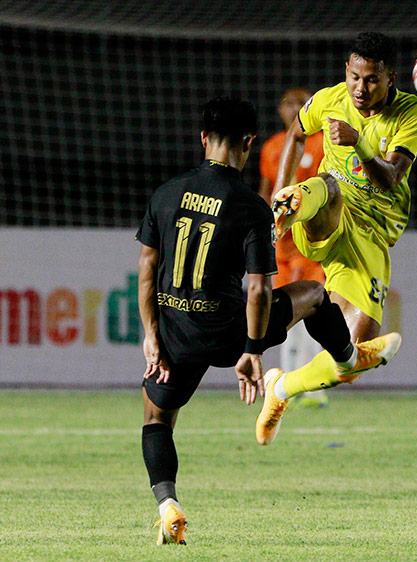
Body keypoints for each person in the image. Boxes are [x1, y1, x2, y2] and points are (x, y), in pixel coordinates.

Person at [135, 97, 397, 545]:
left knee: (157, 419)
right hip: (231, 333)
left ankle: (167, 505)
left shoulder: (167, 192)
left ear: (203, 139)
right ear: (250, 144)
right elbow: (257, 289)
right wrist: (253, 351)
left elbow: (146, 268)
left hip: (176, 332)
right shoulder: (249, 205)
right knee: (313, 294)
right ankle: (350, 356)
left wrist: (151, 336)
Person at [255, 31, 417, 442]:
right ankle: (292, 201)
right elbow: (296, 136)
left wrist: (361, 147)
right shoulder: (330, 99)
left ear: (391, 78)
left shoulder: (412, 113)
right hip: (326, 212)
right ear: (345, 73)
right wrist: (282, 191)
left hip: (370, 236)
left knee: (350, 359)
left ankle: (280, 388)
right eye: (354, 77)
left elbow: (390, 179)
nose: (360, 88)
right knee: (328, 185)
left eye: (371, 79)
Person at [259, 87, 329, 409]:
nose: (295, 108)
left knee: (315, 310)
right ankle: (288, 383)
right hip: (282, 247)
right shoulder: (272, 147)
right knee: (283, 312)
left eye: (302, 103)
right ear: (280, 109)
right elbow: (265, 191)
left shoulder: (321, 142)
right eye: (289, 103)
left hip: (312, 245)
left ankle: (313, 386)